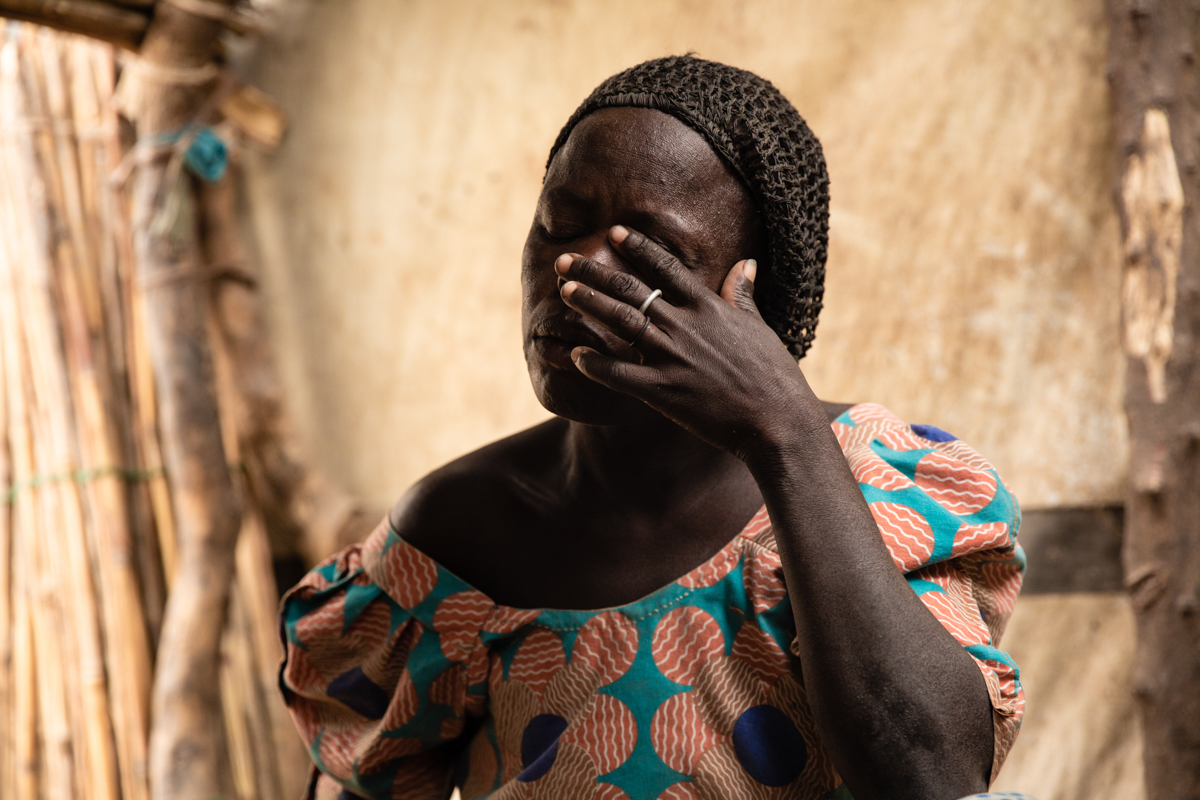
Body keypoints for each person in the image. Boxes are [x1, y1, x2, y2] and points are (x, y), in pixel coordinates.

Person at [278, 56, 1026, 800]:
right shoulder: (460, 534)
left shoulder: (879, 487)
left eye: (649, 253)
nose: (574, 271)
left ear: (749, 302)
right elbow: (360, 781)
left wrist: (788, 438)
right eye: (558, 226)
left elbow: (934, 778)